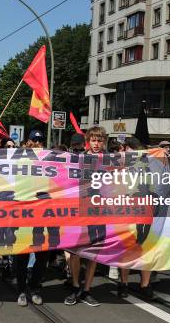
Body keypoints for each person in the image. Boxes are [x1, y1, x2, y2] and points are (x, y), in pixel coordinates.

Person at [64, 126, 106, 307]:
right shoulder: (78, 159)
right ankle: (75, 286)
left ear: (104, 142)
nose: (96, 144)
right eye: (93, 140)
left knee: (93, 254)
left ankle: (87, 290)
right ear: (88, 141)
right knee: (75, 251)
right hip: (80, 210)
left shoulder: (111, 160)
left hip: (100, 212)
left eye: (100, 140)